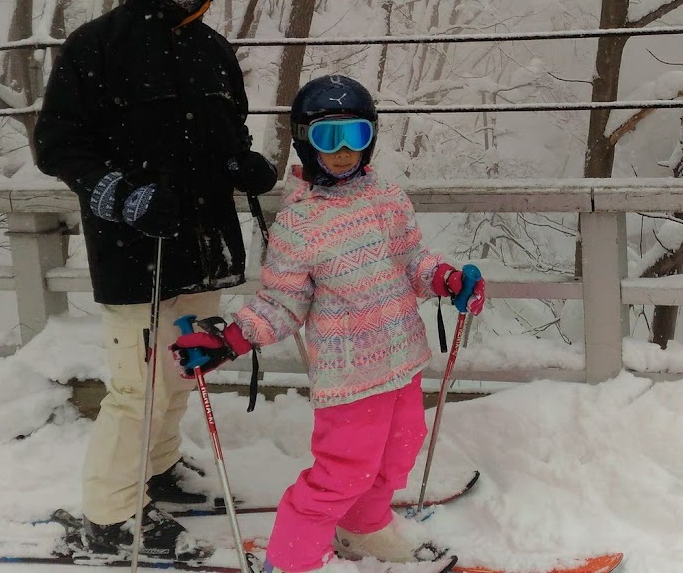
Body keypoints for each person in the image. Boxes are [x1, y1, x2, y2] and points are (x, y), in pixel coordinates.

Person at [32, 0, 279, 560]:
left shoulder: (215, 53)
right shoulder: (97, 47)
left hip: (204, 245)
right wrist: (120, 193)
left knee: (181, 371)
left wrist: (239, 160)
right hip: (132, 251)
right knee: (137, 387)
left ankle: (158, 469)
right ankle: (111, 517)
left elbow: (221, 132)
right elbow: (57, 144)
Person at [169, 74, 487, 573]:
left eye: (354, 136)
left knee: (398, 453)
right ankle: (291, 560)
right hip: (350, 375)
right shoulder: (300, 223)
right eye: (327, 137)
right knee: (343, 472)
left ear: (371, 138)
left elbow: (412, 261)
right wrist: (229, 339)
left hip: (402, 359)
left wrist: (443, 279)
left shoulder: (387, 197)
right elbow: (282, 303)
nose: (341, 152)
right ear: (304, 140)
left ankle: (365, 527)